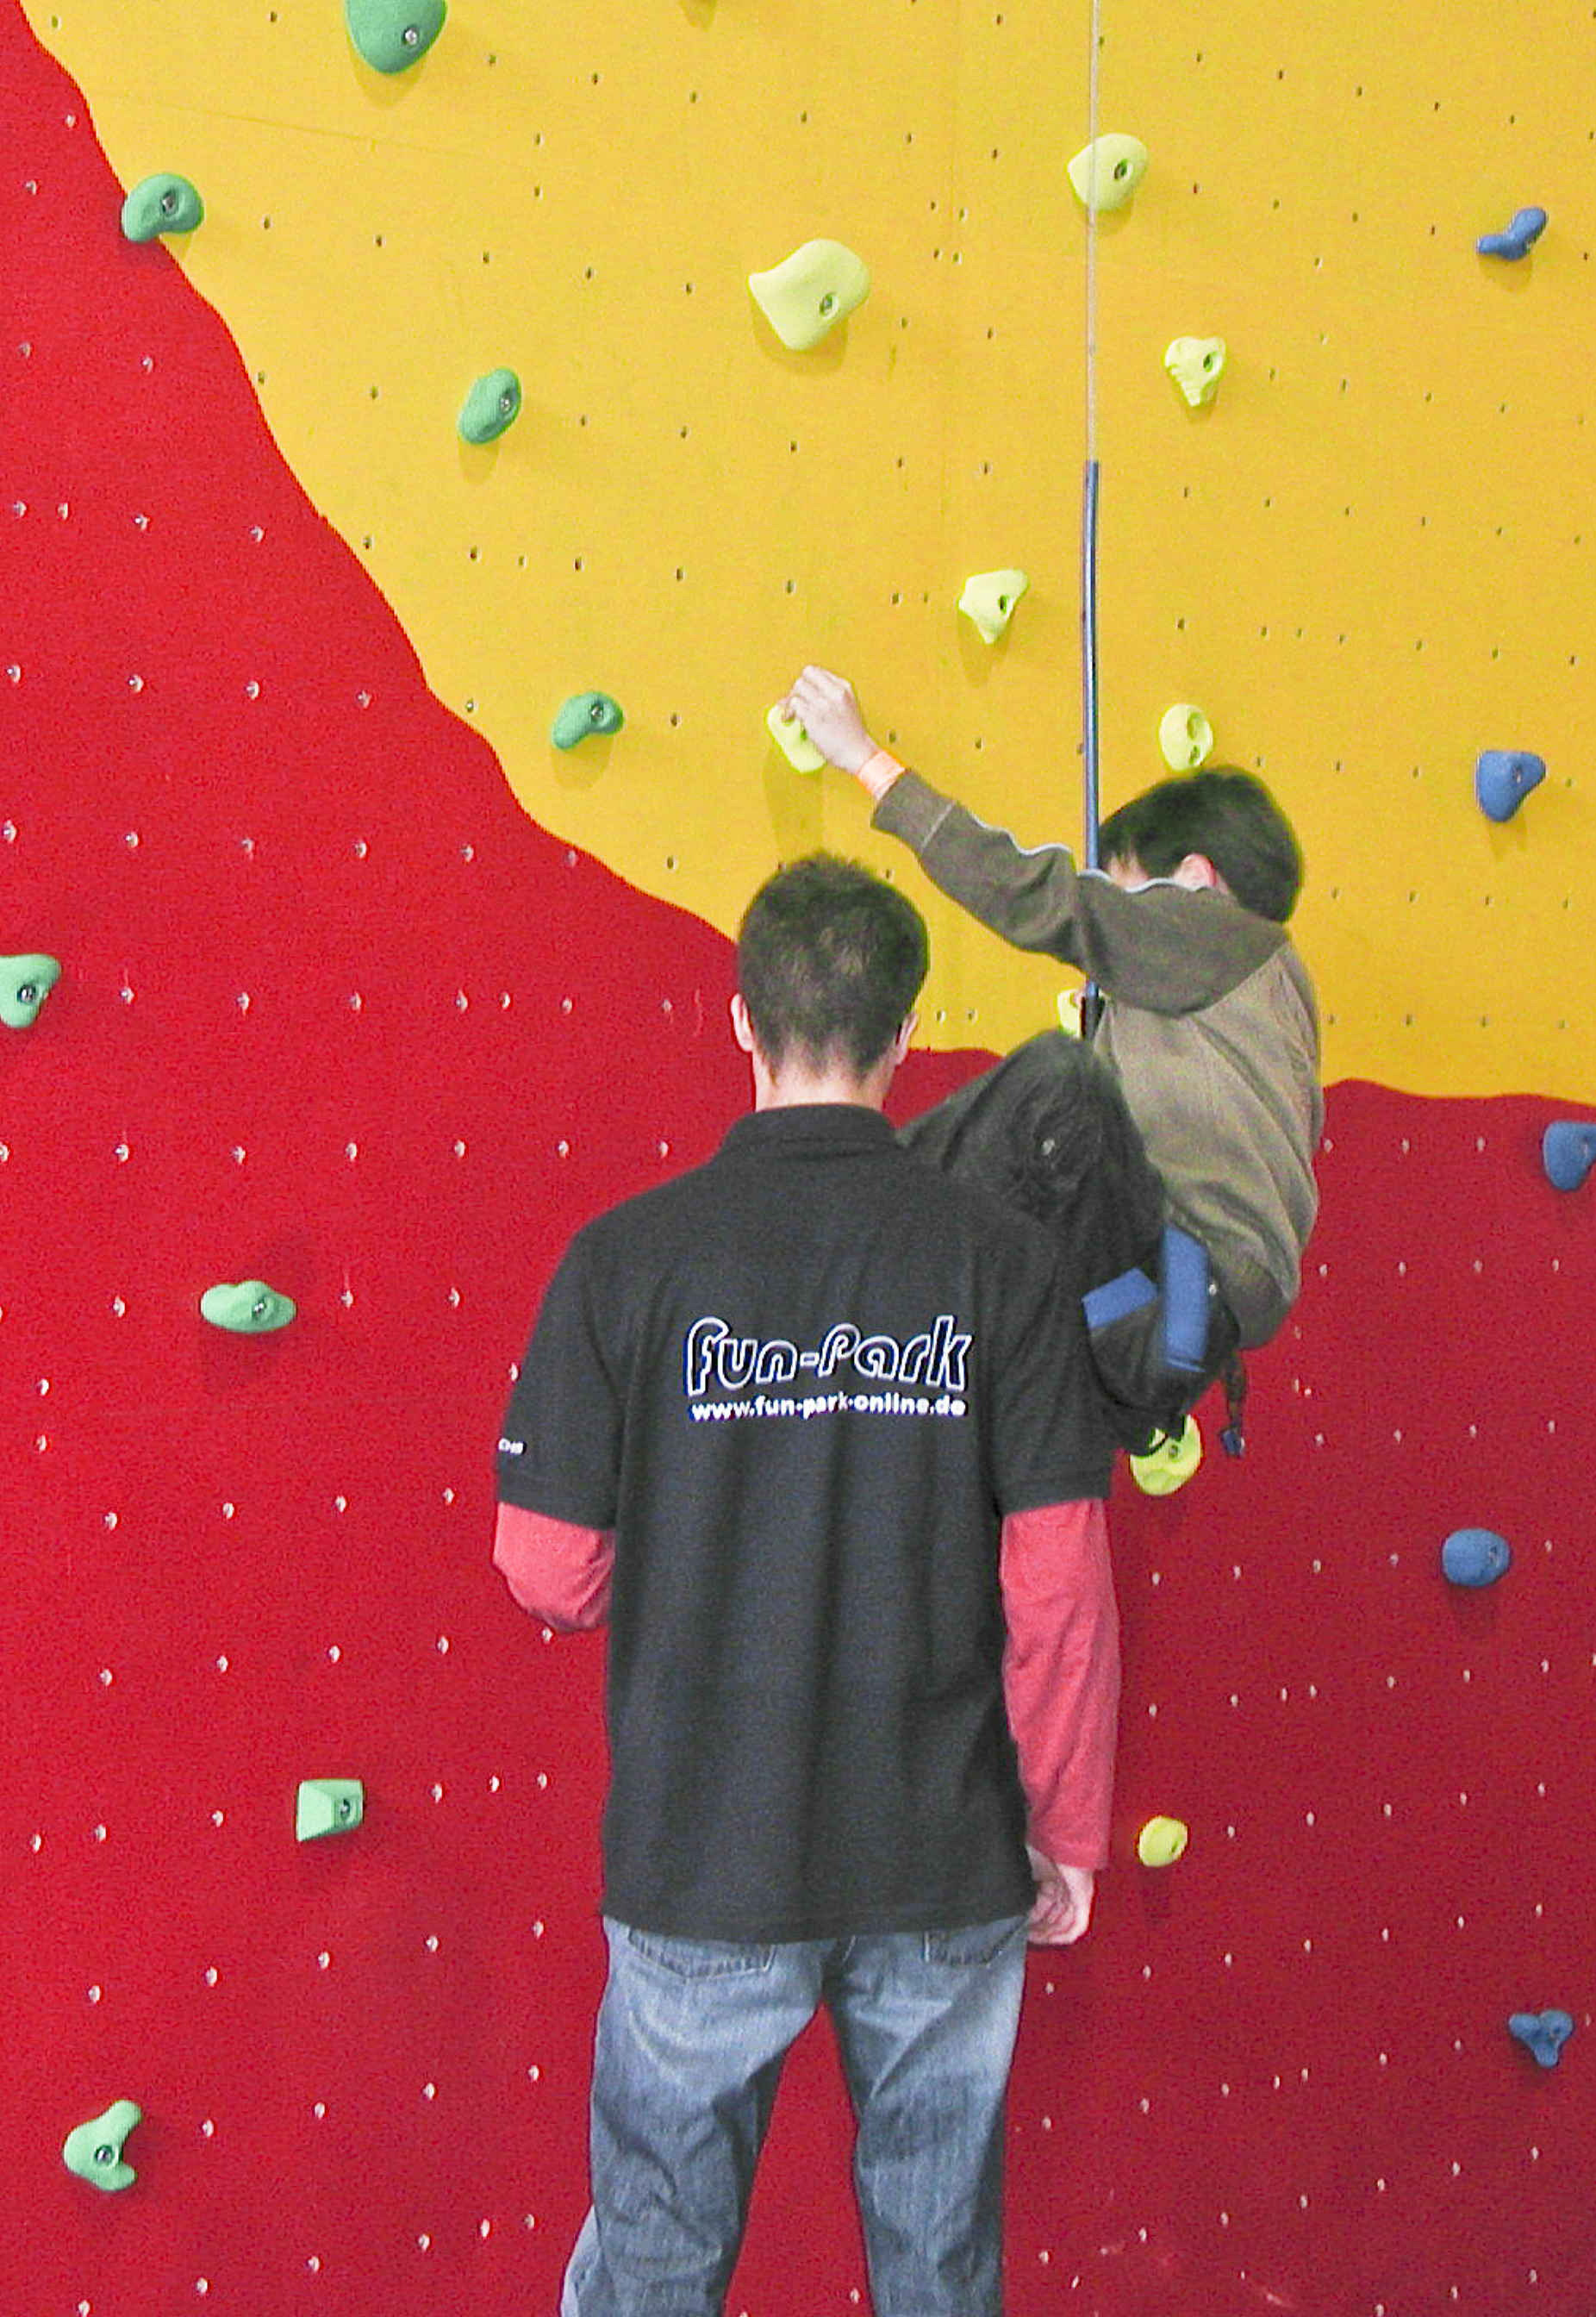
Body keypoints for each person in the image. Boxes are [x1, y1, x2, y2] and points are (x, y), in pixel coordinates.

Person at [493, 852, 1119, 2317]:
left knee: (655, 2258)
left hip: (704, 1856)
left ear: (740, 1018)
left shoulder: (625, 1260)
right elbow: (1059, 1585)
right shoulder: (1005, 1265)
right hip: (941, 1853)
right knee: (938, 2267)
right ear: (906, 1033)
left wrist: (705, 1522)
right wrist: (1067, 1826)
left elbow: (551, 1569)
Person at [777, 666, 1324, 1458]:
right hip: (1175, 1304)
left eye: (1128, 890)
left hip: (1173, 1267)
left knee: (1056, 1086)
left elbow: (1039, 897)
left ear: (1195, 879)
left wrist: (867, 761)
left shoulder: (1211, 929)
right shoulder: (1269, 995)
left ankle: (818, 1210)